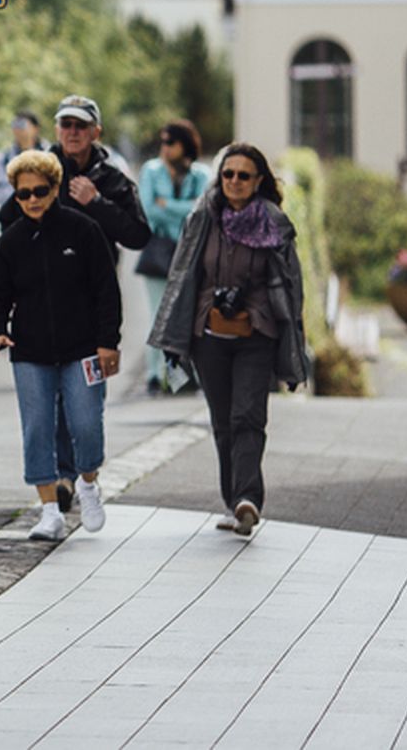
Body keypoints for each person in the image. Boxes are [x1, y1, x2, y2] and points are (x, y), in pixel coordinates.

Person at [0, 94, 149, 512]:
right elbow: (7, 226)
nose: (73, 133)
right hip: (39, 306)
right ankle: (61, 478)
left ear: (96, 132)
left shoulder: (112, 177)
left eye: (81, 126)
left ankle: (81, 473)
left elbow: (138, 235)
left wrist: (95, 204)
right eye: (66, 125)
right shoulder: (39, 169)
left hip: (91, 299)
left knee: (81, 407)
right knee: (47, 405)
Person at [149, 143, 308, 539]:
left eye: (243, 175)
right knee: (222, 421)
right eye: (228, 174)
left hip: (257, 333)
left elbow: (291, 287)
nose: (234, 181)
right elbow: (183, 274)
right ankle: (233, 501)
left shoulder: (274, 223)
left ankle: (248, 498)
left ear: (258, 182)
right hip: (208, 334)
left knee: (248, 416)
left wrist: (282, 331)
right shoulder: (204, 216)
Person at [0, 150, 122, 542]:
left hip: (83, 351)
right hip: (30, 352)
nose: (32, 200)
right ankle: (48, 511)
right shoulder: (10, 242)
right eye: (23, 194)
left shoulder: (83, 231)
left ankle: (89, 484)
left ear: (56, 188)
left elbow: (106, 291)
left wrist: (108, 343)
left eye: (40, 191)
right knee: (37, 429)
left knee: (85, 424)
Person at [137, 120, 211, 393]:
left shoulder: (202, 174)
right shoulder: (151, 170)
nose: (164, 148)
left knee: (193, 315)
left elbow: (204, 209)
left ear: (185, 145)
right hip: (159, 250)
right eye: (163, 142)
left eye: (171, 142)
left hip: (192, 253)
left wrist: (167, 204)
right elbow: (148, 210)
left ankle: (188, 377)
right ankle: (155, 376)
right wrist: (183, 209)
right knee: (159, 315)